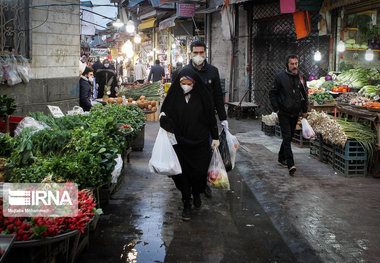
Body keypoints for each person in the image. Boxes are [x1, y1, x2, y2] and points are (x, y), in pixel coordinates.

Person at [159, 68, 219, 221]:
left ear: (195, 83)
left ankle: (197, 193)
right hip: (180, 143)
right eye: (182, 83)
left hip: (200, 143)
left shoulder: (203, 97)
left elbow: (211, 118)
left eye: (189, 83)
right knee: (182, 174)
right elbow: (165, 115)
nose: (185, 86)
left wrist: (216, 137)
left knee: (199, 173)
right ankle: (186, 202)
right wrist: (165, 121)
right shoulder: (174, 98)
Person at [173, 40, 228, 198]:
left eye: (201, 53)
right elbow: (174, 99)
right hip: (186, 125)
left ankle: (202, 185)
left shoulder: (213, 72)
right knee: (187, 158)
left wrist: (223, 119)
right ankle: (189, 190)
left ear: (206, 53)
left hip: (207, 123)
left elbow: (218, 96)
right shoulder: (182, 72)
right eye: (195, 53)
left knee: (207, 156)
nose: (198, 56)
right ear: (190, 53)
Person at [269, 54, 308, 176]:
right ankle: (291, 164)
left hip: (295, 112)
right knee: (287, 137)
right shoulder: (280, 77)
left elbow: (304, 95)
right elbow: (272, 93)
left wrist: (304, 110)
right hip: (283, 112)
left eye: (296, 63)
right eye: (292, 64)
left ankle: (281, 158)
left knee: (289, 136)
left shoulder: (301, 77)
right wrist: (276, 109)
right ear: (287, 65)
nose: (295, 66)